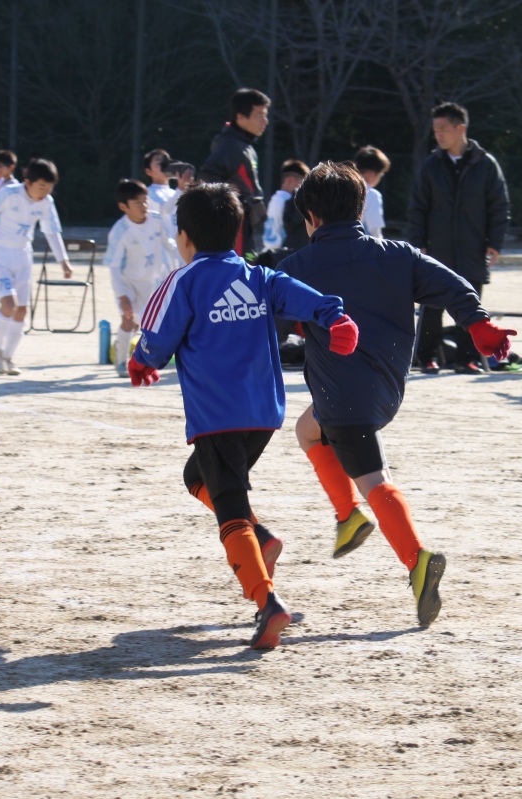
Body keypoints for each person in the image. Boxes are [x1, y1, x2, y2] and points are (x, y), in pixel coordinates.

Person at [282, 161, 516, 628]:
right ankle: (348, 517)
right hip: (386, 389)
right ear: (360, 208)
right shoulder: (398, 255)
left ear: (310, 216)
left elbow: (267, 324)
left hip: (345, 399)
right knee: (307, 430)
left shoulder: (297, 268)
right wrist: (479, 325)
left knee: (374, 478)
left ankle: (417, 559)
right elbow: (455, 286)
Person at [126, 182, 360, 650]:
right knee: (197, 477)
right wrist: (335, 318)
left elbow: (156, 335)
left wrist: (142, 361)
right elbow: (307, 298)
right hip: (263, 414)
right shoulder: (259, 277)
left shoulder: (183, 281)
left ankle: (267, 602)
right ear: (236, 233)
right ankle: (262, 538)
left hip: (218, 417)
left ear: (184, 238)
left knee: (229, 507)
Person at [407, 101, 511, 374]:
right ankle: (426, 357)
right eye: (435, 130)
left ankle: (467, 359)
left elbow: (499, 207)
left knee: (471, 303)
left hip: (473, 248)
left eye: (443, 129)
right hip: (436, 249)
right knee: (431, 306)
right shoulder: (431, 165)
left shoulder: (486, 164)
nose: (438, 135)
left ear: (460, 129)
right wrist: (418, 244)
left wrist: (494, 243)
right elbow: (417, 208)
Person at [0, 158, 72, 376]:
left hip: (23, 256)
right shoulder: (9, 194)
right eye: (41, 187)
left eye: (49, 187)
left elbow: (52, 231)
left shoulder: (46, 202)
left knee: (22, 310)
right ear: (27, 182)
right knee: (9, 305)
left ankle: (8, 356)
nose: (45, 192)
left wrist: (63, 260)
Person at [104, 179, 178, 378]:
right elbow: (114, 266)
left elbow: (170, 245)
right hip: (127, 283)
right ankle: (120, 362)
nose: (144, 205)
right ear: (123, 207)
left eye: (145, 200)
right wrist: (122, 295)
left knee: (148, 325)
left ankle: (145, 360)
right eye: (137, 202)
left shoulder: (156, 220)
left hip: (151, 283)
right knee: (128, 321)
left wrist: (179, 268)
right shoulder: (120, 231)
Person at [199, 88, 270, 255]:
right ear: (241, 117)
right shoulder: (230, 146)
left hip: (249, 227)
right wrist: (233, 203)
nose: (265, 121)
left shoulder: (243, 145)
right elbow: (206, 176)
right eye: (260, 114)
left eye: (265, 115)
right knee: (240, 269)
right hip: (237, 228)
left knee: (250, 266)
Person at [262, 159, 310, 252]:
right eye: (302, 182)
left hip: (272, 252)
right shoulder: (285, 200)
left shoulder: (275, 199)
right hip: (280, 253)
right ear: (290, 180)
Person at [353, 145, 390, 240]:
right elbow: (374, 229)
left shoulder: (340, 188)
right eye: (380, 175)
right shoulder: (371, 194)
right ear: (372, 173)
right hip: (359, 244)